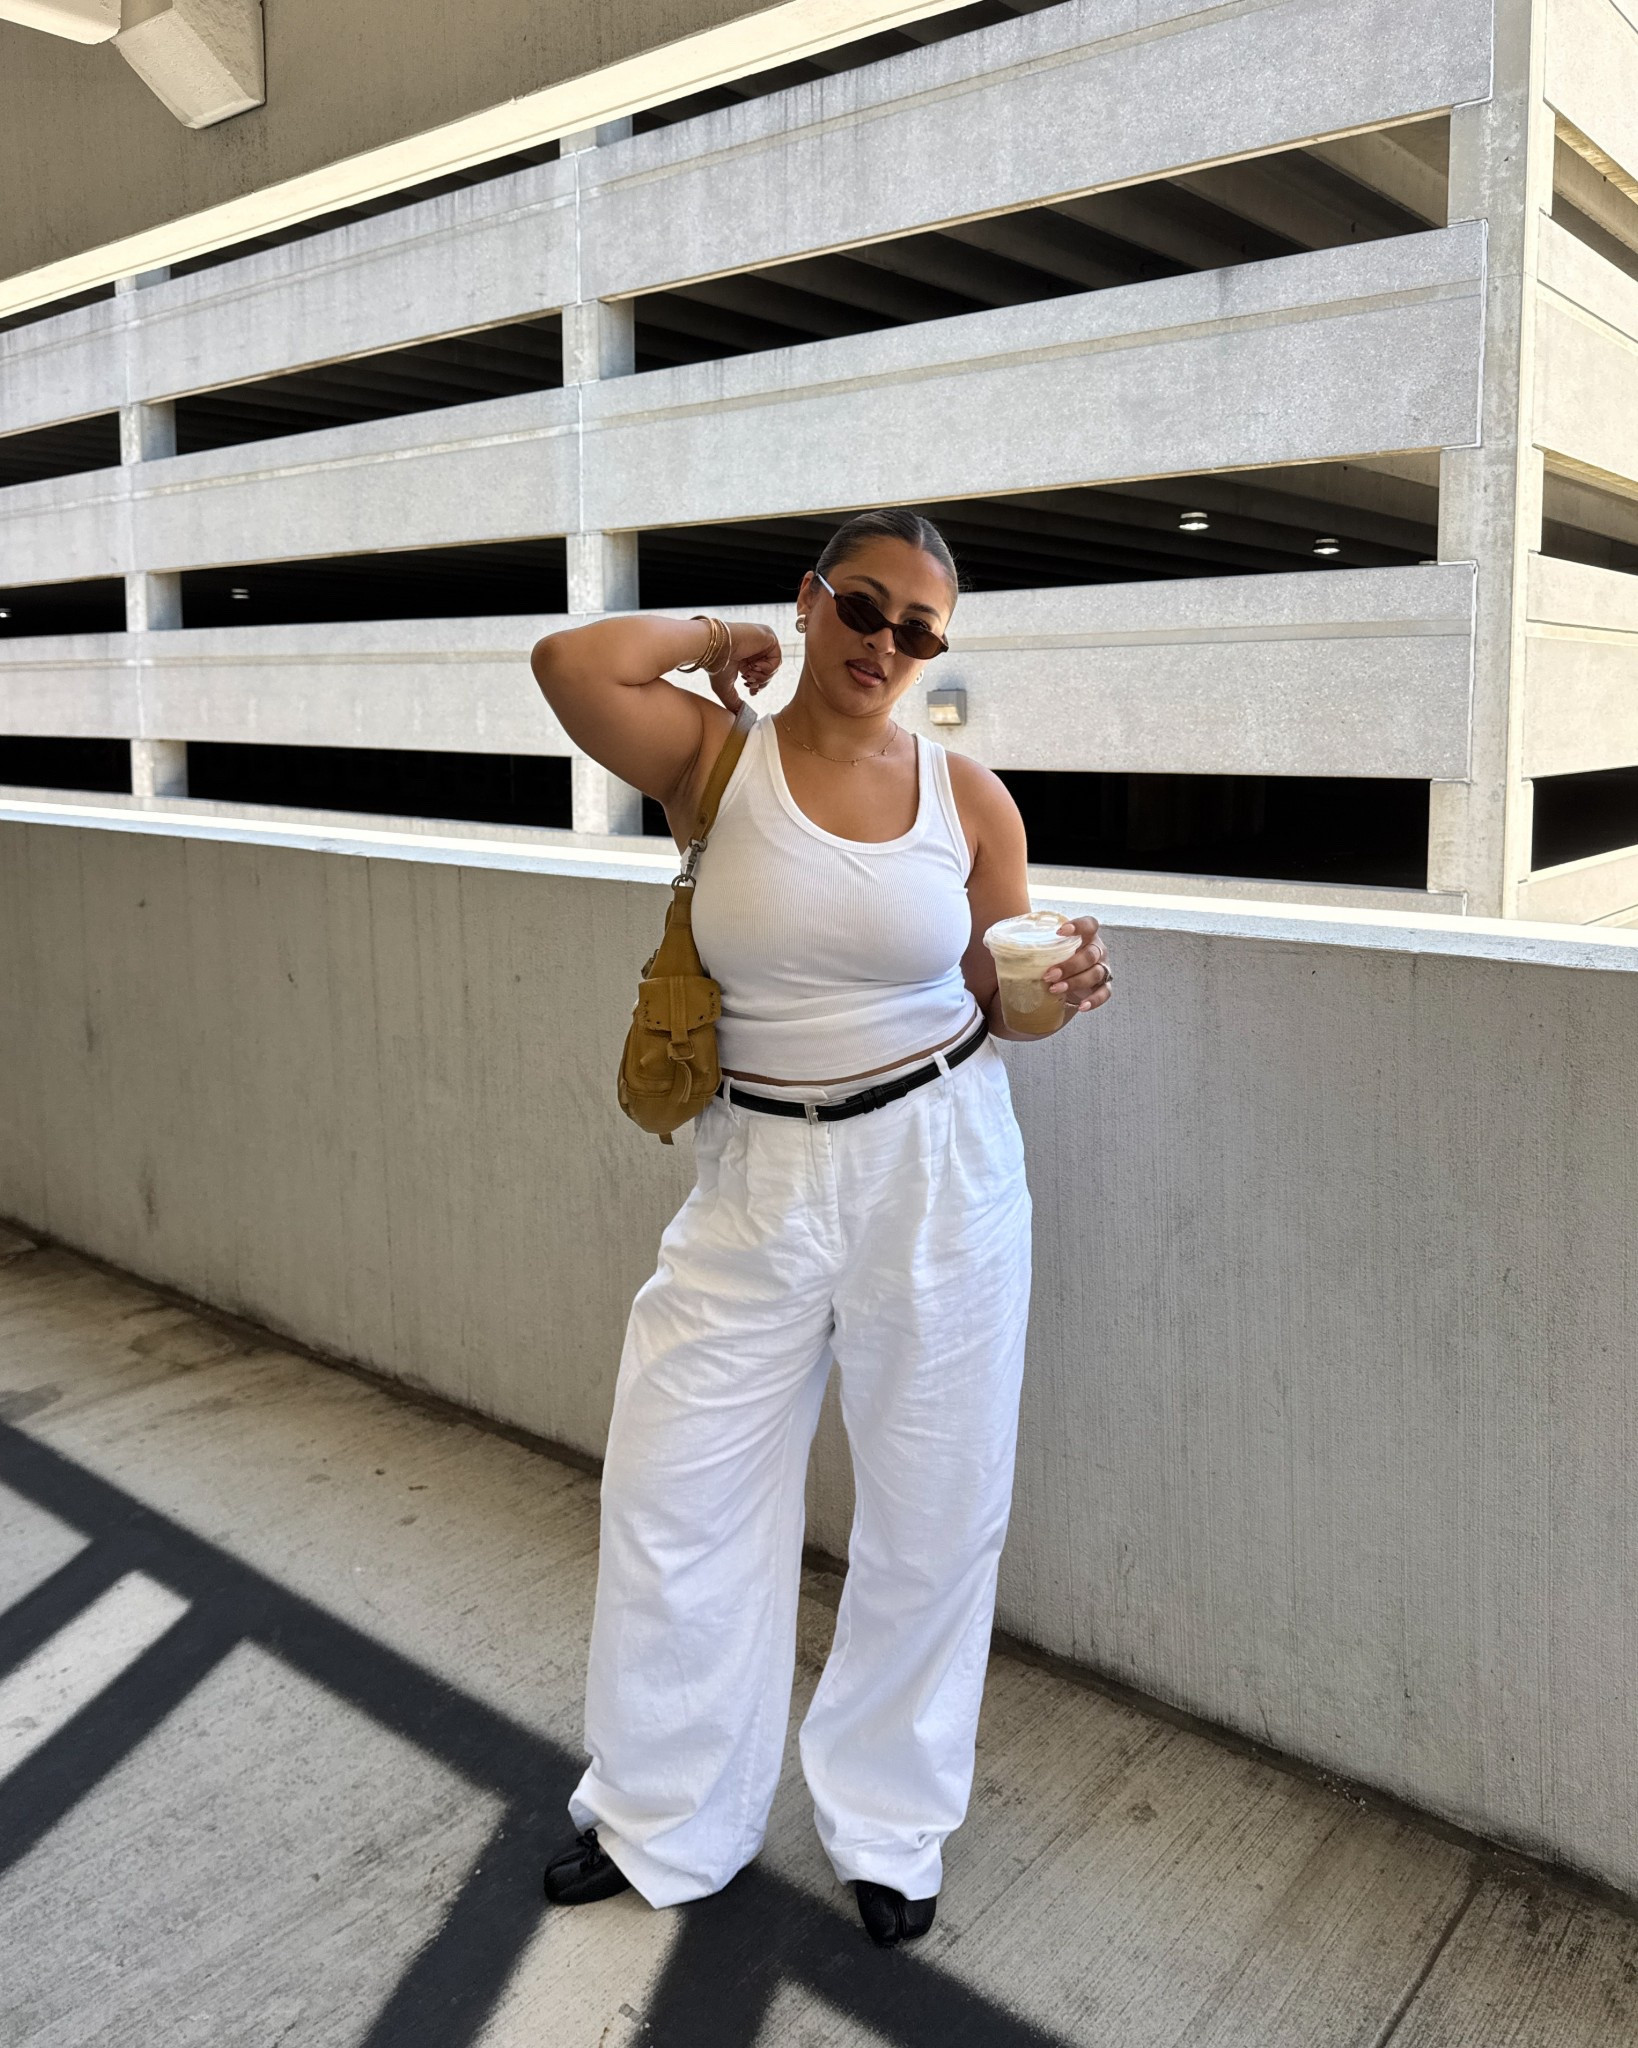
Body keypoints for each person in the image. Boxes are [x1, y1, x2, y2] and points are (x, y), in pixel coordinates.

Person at [529, 509, 1114, 1949]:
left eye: (920, 629)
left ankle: (889, 1825)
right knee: (677, 1501)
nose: (887, 645)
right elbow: (571, 660)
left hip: (938, 1164)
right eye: (864, 607)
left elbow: (1000, 1000)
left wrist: (1055, 991)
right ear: (813, 601)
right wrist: (728, 645)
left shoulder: (968, 799)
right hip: (753, 1176)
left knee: (932, 1511)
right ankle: (664, 1814)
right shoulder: (714, 761)